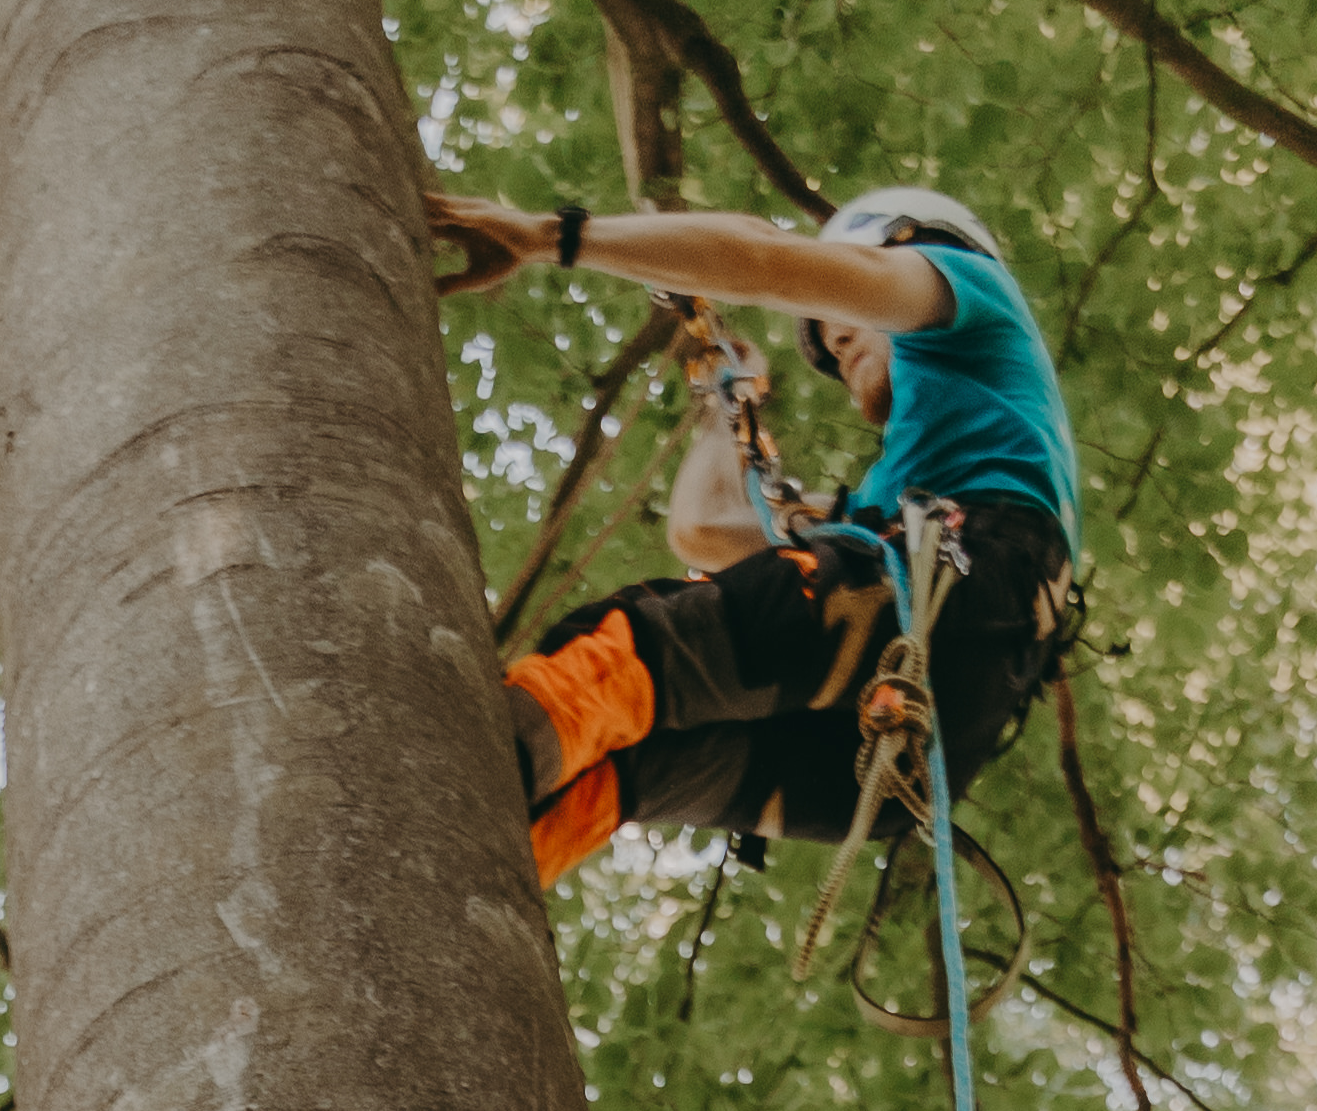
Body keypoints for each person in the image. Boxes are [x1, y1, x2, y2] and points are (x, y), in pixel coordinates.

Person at [428, 182, 1082, 890]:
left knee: (637, 650)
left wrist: (543, 235)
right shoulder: (911, 487)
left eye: (844, 311)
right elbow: (704, 529)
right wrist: (727, 406)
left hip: (945, 597)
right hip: (917, 736)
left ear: (911, 245)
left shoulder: (967, 291)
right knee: (623, 770)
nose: (832, 335)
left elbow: (765, 258)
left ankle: (437, 785)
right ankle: (468, 896)